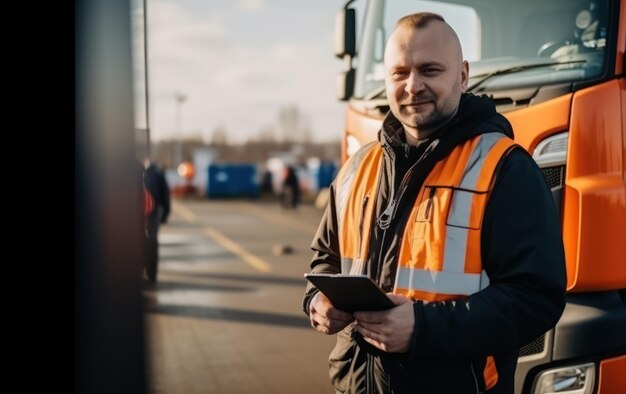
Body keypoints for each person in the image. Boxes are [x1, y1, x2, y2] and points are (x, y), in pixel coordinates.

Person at [302, 13, 566, 394]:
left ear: (462, 76)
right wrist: (317, 301)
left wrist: (423, 328)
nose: (413, 86)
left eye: (429, 70)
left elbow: (536, 298)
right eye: (399, 73)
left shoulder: (505, 169)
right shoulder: (356, 168)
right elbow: (324, 258)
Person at [143, 159, 171, 283]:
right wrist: (165, 215)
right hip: (153, 212)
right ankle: (151, 273)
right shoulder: (159, 174)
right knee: (152, 241)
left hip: (138, 211)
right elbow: (166, 196)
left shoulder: (137, 171)